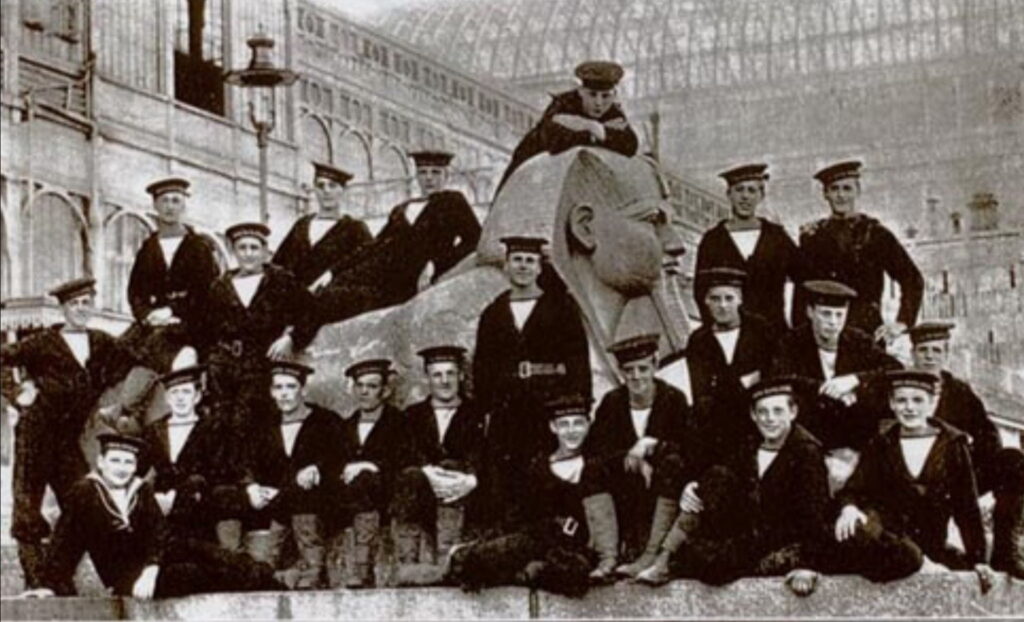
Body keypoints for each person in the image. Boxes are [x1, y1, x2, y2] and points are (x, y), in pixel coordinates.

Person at [0, 278, 141, 592]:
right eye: (74, 304)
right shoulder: (41, 342)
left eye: (86, 303)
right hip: (35, 435)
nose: (81, 309)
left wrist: (114, 399)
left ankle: (113, 583)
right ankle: (37, 583)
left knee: (85, 502)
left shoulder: (102, 341)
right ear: (63, 308)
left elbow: (133, 357)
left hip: (67, 441)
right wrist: (18, 394)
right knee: (27, 510)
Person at [22, 431, 281, 599]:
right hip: (127, 576)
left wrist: (152, 567)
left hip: (154, 562)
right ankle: (259, 581)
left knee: (200, 549)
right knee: (188, 573)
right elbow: (66, 541)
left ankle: (267, 577)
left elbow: (159, 532)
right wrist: (47, 584)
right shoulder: (85, 492)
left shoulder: (141, 489)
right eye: (115, 461)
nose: (122, 469)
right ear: (101, 462)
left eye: (128, 462)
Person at [635, 377, 831, 597]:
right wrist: (692, 488)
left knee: (712, 563)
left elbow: (815, 515)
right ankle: (664, 558)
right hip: (750, 534)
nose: (770, 419)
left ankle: (671, 562)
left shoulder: (806, 452)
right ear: (753, 415)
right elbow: (721, 481)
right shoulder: (751, 446)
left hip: (783, 542)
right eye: (763, 412)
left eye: (778, 411)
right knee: (717, 477)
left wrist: (808, 565)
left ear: (793, 412)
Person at [473, 236, 591, 528]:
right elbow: (482, 367)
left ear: (539, 267)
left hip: (548, 402)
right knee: (507, 476)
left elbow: (578, 359)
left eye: (529, 261)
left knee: (546, 472)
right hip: (507, 406)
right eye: (517, 260)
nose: (523, 267)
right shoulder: (493, 313)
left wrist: (580, 404)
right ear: (507, 265)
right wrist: (486, 409)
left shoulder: (561, 308)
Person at [831, 370, 990, 583]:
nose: (909, 407)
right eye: (901, 400)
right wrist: (848, 508)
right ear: (892, 404)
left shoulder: (952, 444)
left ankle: (918, 562)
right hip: (888, 539)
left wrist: (978, 559)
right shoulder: (882, 443)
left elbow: (966, 506)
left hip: (930, 543)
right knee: (853, 528)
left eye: (917, 400)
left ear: (932, 404)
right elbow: (853, 489)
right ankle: (916, 564)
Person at [447, 394, 613, 598]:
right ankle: (472, 561)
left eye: (578, 423)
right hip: (536, 540)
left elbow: (603, 519)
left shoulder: (594, 467)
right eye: (564, 424)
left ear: (588, 425)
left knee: (574, 573)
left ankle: (526, 574)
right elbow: (520, 514)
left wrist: (606, 560)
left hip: (573, 546)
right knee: (489, 557)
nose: (571, 431)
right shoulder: (540, 466)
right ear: (553, 427)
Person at [908, 320, 1024, 578]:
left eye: (936, 351)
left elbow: (988, 438)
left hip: (954, 482)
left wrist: (964, 465)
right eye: (923, 350)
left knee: (1012, 461)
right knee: (928, 550)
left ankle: (1005, 551)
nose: (929, 356)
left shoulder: (959, 392)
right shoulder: (901, 390)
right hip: (914, 487)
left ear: (946, 354)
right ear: (912, 353)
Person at [585, 333, 694, 580]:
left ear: (655, 365)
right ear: (621, 372)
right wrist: (630, 456)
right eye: (629, 370)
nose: (636, 377)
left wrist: (651, 445)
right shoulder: (612, 402)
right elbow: (596, 449)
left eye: (643, 368)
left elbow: (688, 446)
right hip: (625, 481)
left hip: (663, 480)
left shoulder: (673, 399)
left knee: (673, 463)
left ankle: (652, 555)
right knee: (591, 469)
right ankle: (607, 557)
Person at [239, 361, 348, 590]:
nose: (284, 394)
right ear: (271, 392)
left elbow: (339, 457)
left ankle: (312, 568)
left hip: (315, 501)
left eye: (291, 387)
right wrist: (252, 487)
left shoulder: (326, 421)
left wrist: (317, 468)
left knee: (302, 496)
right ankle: (262, 570)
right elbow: (246, 462)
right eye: (278, 388)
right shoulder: (263, 426)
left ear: (303, 390)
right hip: (273, 501)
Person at [202, 223, 318, 428]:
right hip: (224, 368)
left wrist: (291, 338)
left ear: (265, 251)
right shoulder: (219, 286)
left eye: (254, 248)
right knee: (220, 424)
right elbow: (207, 330)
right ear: (233, 251)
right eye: (242, 248)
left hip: (263, 365)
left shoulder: (280, 280)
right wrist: (210, 364)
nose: (248, 254)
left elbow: (311, 312)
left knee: (254, 424)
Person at [793, 161, 923, 341]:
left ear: (857, 191)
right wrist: (799, 334)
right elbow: (801, 292)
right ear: (825, 194)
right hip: (823, 334)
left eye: (847, 189)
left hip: (866, 331)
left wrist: (902, 322)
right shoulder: (813, 237)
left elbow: (912, 279)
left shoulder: (876, 234)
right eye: (834, 189)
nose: (841, 195)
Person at [768, 280, 900, 453]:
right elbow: (780, 377)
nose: (833, 322)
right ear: (810, 312)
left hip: (857, 437)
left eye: (839, 315)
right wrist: (826, 389)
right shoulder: (792, 342)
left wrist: (854, 381)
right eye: (826, 314)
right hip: (810, 438)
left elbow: (895, 368)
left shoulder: (858, 340)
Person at [391, 345, 486, 574]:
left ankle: (448, 559)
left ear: (461, 376)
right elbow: (403, 452)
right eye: (437, 374)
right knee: (410, 476)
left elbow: (485, 453)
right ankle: (408, 564)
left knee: (451, 466)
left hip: (467, 494)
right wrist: (427, 471)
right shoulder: (412, 415)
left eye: (450, 373)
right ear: (427, 379)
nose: (444, 381)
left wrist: (472, 479)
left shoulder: (478, 413)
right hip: (421, 494)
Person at [141, 365, 244, 550]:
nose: (180, 398)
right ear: (167, 398)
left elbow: (218, 471)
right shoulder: (153, 431)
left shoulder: (213, 429)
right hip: (161, 503)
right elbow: (140, 468)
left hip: (201, 504)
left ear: (197, 397)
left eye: (186, 392)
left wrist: (179, 495)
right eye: (174, 393)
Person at [123, 177, 221, 370]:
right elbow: (135, 292)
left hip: (192, 324)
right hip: (153, 324)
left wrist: (173, 311)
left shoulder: (199, 247)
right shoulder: (148, 248)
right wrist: (147, 315)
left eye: (175, 201)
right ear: (155, 205)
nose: (170, 207)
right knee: (119, 356)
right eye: (164, 201)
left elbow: (208, 292)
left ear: (184, 206)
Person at [497, 61, 638, 191]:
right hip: (527, 171)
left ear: (614, 96)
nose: (599, 103)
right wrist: (599, 134)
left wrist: (592, 127)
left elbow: (630, 145)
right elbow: (556, 142)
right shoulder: (563, 104)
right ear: (581, 92)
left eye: (605, 96)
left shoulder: (613, 112)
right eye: (592, 95)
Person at [685, 268, 779, 463]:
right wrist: (743, 384)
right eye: (716, 299)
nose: (723, 305)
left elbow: (773, 380)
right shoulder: (699, 341)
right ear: (706, 302)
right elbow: (702, 395)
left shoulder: (761, 330)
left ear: (740, 299)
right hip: (719, 428)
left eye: (729, 298)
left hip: (762, 424)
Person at [693, 164, 801, 331]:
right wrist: (716, 330)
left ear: (761, 196)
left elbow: (804, 277)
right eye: (739, 190)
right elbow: (700, 291)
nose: (745, 197)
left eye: (752, 191)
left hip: (773, 337)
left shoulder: (776, 237)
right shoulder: (713, 240)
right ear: (729, 194)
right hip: (731, 336)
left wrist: (797, 324)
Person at [337, 358, 409, 587]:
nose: (365, 392)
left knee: (365, 481)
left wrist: (370, 466)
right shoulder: (345, 426)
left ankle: (362, 568)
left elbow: (405, 460)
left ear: (385, 391)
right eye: (360, 386)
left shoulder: (399, 422)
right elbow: (333, 460)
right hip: (349, 495)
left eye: (372, 386)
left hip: (384, 493)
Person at [272, 162, 372, 298]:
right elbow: (278, 264)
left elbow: (366, 267)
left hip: (335, 306)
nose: (326, 191)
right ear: (314, 189)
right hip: (294, 306)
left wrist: (332, 274)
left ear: (343, 190)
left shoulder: (355, 229)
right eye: (321, 186)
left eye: (332, 186)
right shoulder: (301, 226)